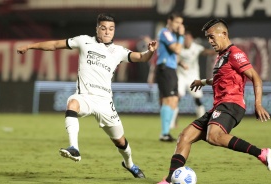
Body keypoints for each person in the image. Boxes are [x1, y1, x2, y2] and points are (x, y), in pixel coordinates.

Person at [17, 13, 157, 179]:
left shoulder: (118, 51)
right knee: (72, 103)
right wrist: (31, 46)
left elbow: (141, 57)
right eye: (103, 28)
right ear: (97, 29)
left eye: (111, 29)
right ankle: (74, 148)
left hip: (105, 103)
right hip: (86, 97)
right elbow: (55, 44)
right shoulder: (84, 40)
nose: (107, 32)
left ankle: (130, 164)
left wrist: (150, 51)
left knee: (120, 141)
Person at [157, 18, 271, 184]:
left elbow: (255, 77)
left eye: (212, 37)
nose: (210, 41)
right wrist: (202, 82)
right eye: (208, 38)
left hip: (232, 104)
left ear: (224, 34)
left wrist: (258, 103)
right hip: (219, 106)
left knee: (214, 136)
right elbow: (220, 78)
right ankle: (169, 180)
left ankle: (261, 153)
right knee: (185, 136)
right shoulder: (221, 57)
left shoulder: (235, 53)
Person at [171, 31, 215, 128]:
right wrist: (180, 63)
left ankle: (203, 123)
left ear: (191, 39)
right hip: (181, 76)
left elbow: (206, 52)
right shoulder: (179, 47)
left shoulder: (196, 47)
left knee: (198, 99)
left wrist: (217, 50)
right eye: (184, 38)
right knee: (176, 98)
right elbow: (175, 58)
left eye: (188, 38)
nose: (186, 41)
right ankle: (173, 123)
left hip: (193, 77)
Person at [153, 12, 185, 142]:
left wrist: (181, 64)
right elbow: (176, 50)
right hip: (164, 69)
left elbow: (173, 54)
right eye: (177, 22)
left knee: (174, 100)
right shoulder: (165, 33)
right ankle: (164, 133)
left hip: (171, 69)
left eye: (181, 23)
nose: (179, 25)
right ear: (170, 21)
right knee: (167, 100)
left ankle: (167, 132)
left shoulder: (172, 35)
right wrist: (182, 36)